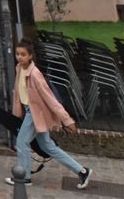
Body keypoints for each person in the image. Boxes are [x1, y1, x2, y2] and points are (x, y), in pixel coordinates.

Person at [6, 39, 92, 189]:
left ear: (30, 56)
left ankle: (24, 178)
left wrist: (67, 120)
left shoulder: (35, 74)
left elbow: (50, 99)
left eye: (23, 54)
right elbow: (18, 95)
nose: (19, 57)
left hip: (35, 114)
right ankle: (82, 171)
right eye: (17, 54)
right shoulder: (19, 68)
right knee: (48, 146)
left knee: (21, 143)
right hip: (29, 112)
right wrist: (17, 113)